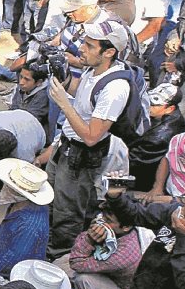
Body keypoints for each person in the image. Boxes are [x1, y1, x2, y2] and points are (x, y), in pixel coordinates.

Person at [42, 20, 133, 258]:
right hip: (66, 146)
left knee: (67, 211)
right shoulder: (93, 69)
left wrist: (62, 102)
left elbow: (92, 137)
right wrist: (62, 79)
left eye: (89, 45)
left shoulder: (115, 89)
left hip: (82, 156)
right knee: (50, 197)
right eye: (84, 42)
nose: (81, 48)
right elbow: (82, 97)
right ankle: (45, 238)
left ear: (109, 52)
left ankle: (59, 255)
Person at [67, 204, 153, 289]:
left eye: (108, 220)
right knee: (59, 264)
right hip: (108, 272)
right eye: (102, 216)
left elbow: (76, 262)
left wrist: (89, 238)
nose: (101, 221)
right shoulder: (119, 230)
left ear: (126, 227)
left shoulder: (123, 254)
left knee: (83, 280)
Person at [0, 159, 52, 276]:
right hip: (2, 253)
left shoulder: (28, 226)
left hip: (12, 271)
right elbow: (5, 229)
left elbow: (10, 264)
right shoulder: (20, 204)